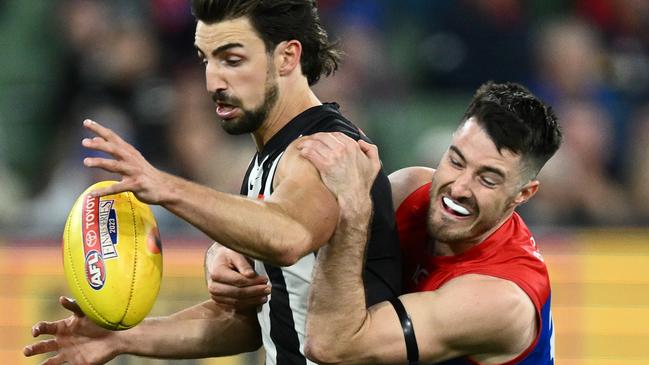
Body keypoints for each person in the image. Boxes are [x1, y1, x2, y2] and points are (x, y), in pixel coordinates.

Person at [23, 0, 401, 364]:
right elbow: (251, 324)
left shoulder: (327, 149)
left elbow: (290, 235)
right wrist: (121, 338)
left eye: (232, 60)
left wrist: (164, 187)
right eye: (207, 60)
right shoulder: (267, 161)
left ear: (287, 56)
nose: (213, 81)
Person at [300, 82, 561, 364]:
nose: (459, 188)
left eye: (487, 179)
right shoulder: (410, 191)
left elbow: (332, 346)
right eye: (456, 161)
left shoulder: (500, 299)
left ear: (523, 194)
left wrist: (352, 205)